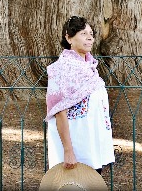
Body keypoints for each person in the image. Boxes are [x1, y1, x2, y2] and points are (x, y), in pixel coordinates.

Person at [46, 16, 114, 174]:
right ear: (68, 38)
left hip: (91, 143)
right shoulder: (61, 69)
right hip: (75, 145)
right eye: (83, 33)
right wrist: (68, 151)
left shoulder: (91, 68)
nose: (90, 37)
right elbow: (59, 111)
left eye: (91, 33)